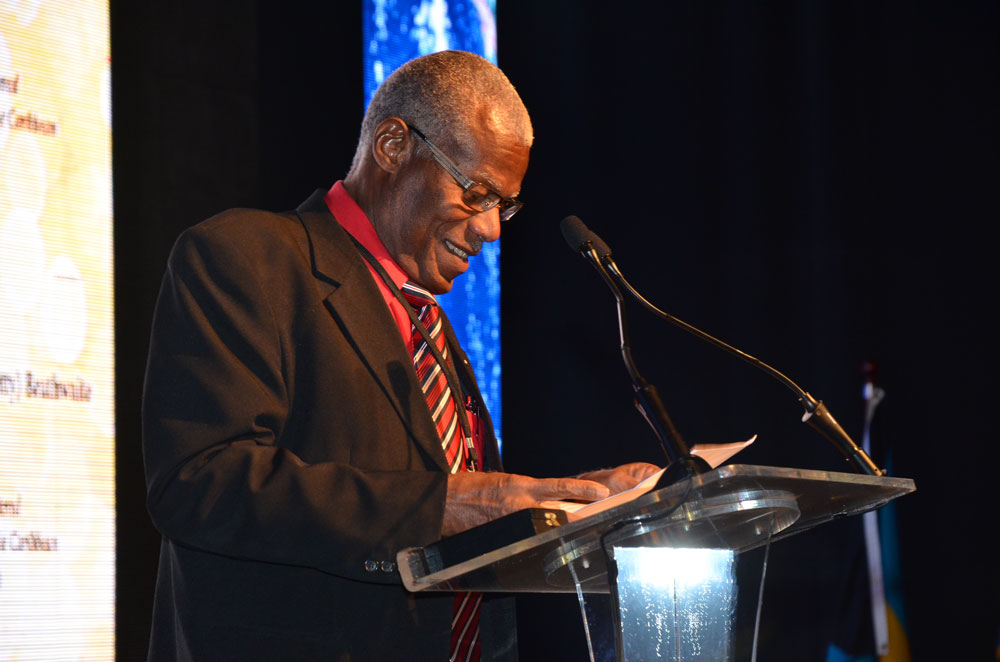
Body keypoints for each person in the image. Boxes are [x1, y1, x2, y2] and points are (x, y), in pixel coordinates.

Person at [142, 50, 658, 661]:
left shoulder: (429, 322)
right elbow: (200, 483)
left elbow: (443, 507)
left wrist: (574, 504)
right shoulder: (247, 258)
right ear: (392, 146)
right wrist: (444, 507)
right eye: (477, 193)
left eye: (505, 205)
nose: (492, 229)